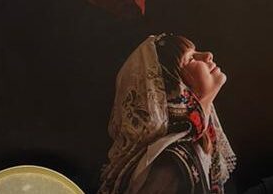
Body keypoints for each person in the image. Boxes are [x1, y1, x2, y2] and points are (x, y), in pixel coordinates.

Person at [99, 34, 236, 194]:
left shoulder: (201, 142)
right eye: (191, 58)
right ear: (174, 88)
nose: (208, 55)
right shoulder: (169, 168)